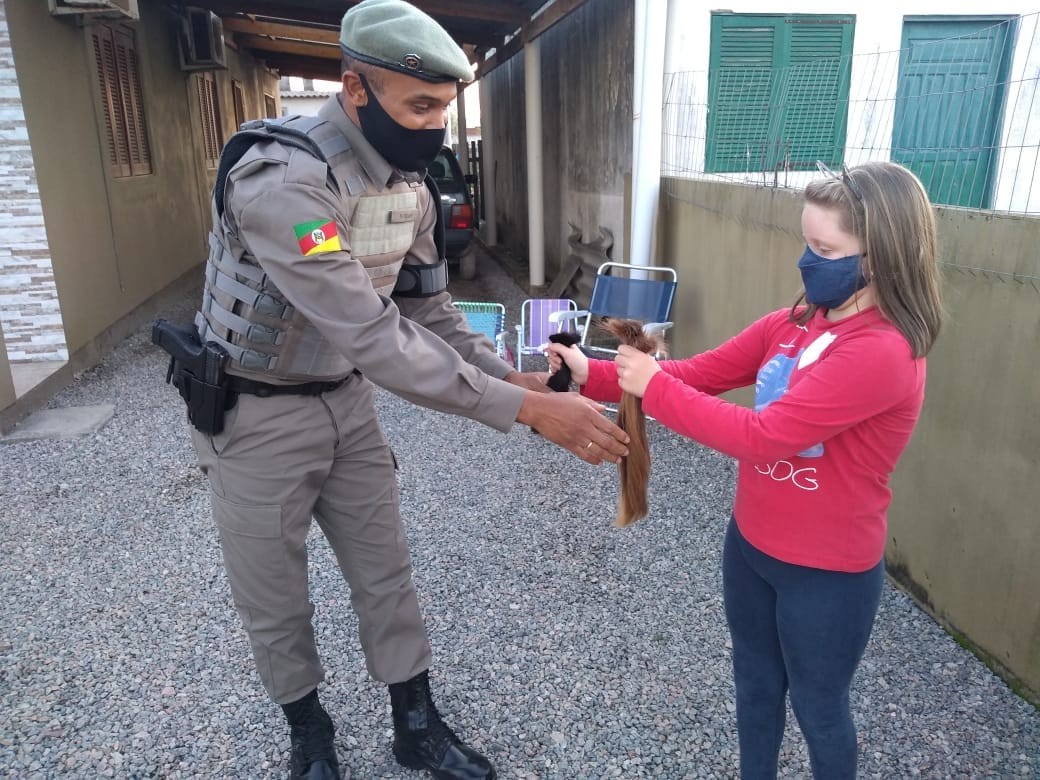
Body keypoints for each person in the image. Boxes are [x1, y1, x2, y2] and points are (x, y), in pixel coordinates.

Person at [186, 1, 630, 778]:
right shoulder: (284, 182)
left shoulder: (408, 186)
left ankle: (415, 724)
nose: (433, 126)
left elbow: (427, 309)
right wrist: (525, 408)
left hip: (345, 401)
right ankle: (308, 732)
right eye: (417, 105)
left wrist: (509, 376)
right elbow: (372, 332)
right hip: (253, 413)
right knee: (275, 591)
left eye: (443, 109)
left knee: (384, 568)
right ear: (355, 89)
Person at [549, 161, 943, 779]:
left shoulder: (884, 352)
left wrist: (652, 387)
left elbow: (766, 438)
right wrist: (592, 373)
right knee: (756, 689)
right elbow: (696, 375)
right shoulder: (790, 325)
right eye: (805, 243)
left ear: (883, 257)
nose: (807, 262)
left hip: (827, 576)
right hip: (752, 547)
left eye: (825, 249)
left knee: (819, 710)